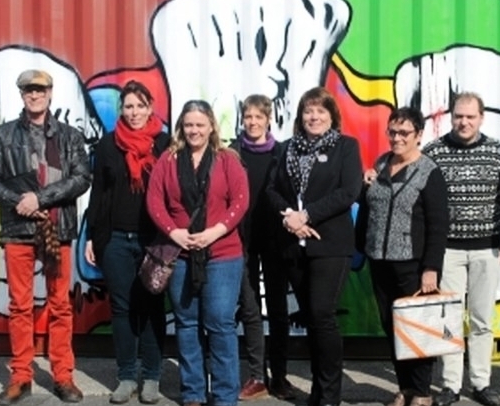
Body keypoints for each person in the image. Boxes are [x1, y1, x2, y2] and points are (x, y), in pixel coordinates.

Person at [0, 69, 91, 405]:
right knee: (20, 306)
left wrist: (40, 198)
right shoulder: (4, 135)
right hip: (18, 230)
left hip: (57, 229)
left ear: (50, 93)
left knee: (60, 306)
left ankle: (63, 377)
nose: (34, 94)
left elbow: (82, 178)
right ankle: (21, 377)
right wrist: (19, 202)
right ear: (22, 94)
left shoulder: (69, 136)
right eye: (28, 89)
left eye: (40, 89)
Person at [145, 99, 249, 406]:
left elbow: (240, 201)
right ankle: (192, 392)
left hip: (222, 253)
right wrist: (174, 232)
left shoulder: (228, 159)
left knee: (219, 322)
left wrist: (215, 231)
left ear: (211, 126)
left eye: (200, 125)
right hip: (179, 253)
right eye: (188, 125)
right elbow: (154, 201)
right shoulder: (168, 160)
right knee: (187, 324)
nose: (194, 130)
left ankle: (225, 395)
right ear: (181, 127)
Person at [266, 87, 363, 406]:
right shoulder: (284, 149)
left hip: (330, 245)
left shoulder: (346, 147)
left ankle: (329, 395)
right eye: (309, 111)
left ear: (332, 116)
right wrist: (289, 218)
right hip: (293, 244)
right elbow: (271, 190)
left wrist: (307, 214)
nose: (314, 116)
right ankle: (319, 392)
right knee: (311, 317)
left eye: (321, 111)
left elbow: (348, 192)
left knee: (322, 315)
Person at [423, 92, 500, 406]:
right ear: (451, 117)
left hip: (487, 249)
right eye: (459, 116)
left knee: (481, 320)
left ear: (481, 118)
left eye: (470, 117)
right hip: (447, 250)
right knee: (449, 319)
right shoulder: (433, 152)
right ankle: (450, 386)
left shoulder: (497, 153)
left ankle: (480, 383)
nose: (464, 122)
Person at [84, 81, 171, 404]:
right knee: (122, 309)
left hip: (154, 240)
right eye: (128, 106)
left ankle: (151, 377)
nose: (134, 112)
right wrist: (93, 236)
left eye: (139, 105)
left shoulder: (164, 144)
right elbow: (99, 194)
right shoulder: (109, 145)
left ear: (150, 107)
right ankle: (125, 376)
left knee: (151, 308)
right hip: (116, 239)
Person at [357, 107, 449, 406]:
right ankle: (405, 388)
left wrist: (431, 267)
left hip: (412, 263)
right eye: (392, 132)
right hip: (379, 260)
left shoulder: (429, 171)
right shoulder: (381, 164)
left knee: (417, 328)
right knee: (392, 327)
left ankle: (422, 393)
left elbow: (438, 225)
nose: (396, 138)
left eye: (404, 133)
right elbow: (371, 205)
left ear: (418, 136)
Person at [229, 94, 296, 401]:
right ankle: (257, 375)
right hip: (241, 242)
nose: (253, 123)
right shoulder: (231, 152)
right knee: (251, 310)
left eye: (258, 117)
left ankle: (279, 376)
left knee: (279, 310)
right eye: (248, 117)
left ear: (269, 119)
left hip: (277, 241)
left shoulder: (283, 153)